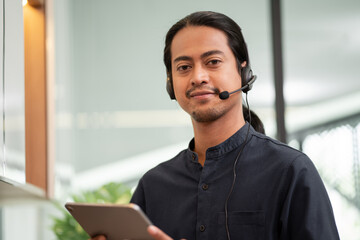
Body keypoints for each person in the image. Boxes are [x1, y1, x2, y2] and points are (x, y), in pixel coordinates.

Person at [92, 11, 339, 240]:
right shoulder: (153, 186)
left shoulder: (290, 171)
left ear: (243, 72)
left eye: (212, 61)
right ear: (171, 83)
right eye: (184, 67)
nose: (198, 76)